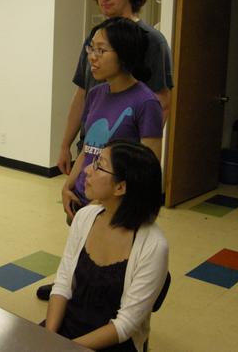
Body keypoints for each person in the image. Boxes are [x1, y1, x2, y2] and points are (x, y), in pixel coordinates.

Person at [38, 16, 163, 301]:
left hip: (115, 205)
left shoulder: (146, 103)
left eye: (101, 50)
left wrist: (105, 205)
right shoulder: (95, 94)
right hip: (86, 196)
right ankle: (67, 287)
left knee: (105, 268)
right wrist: (68, 185)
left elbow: (148, 167)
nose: (92, 57)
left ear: (125, 54)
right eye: (90, 49)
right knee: (80, 252)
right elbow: (89, 147)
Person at [45, 140, 169, 352]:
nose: (87, 169)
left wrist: (68, 349)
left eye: (99, 166)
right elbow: (63, 283)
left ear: (121, 187)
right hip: (68, 328)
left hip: (114, 342)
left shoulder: (154, 245)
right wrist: (49, 337)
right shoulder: (85, 217)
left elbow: (126, 324)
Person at [57, 0, 173, 176]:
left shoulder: (151, 40)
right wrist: (65, 145)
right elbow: (82, 93)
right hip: (90, 146)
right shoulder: (95, 37)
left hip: (123, 155)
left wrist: (139, 159)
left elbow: (162, 103)